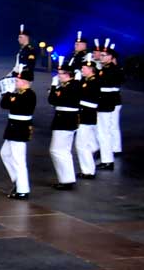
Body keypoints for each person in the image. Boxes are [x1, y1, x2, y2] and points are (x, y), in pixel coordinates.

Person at [0, 69, 36, 200]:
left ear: (25, 82)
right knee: (5, 153)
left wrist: (8, 94)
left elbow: (13, 105)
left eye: (18, 80)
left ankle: (23, 189)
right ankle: (17, 180)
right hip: (13, 129)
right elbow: (4, 105)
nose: (15, 82)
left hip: (20, 130)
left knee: (19, 160)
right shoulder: (18, 93)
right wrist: (8, 94)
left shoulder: (29, 95)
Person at [48, 61, 81, 190]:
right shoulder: (73, 85)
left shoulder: (69, 87)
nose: (59, 76)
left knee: (57, 150)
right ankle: (67, 178)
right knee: (64, 151)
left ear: (68, 75)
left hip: (64, 120)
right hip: (68, 120)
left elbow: (52, 100)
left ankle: (66, 180)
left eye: (61, 73)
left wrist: (53, 86)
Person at [96, 45, 123, 168]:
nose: (100, 57)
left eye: (103, 55)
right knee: (103, 131)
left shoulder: (112, 70)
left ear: (111, 57)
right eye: (100, 55)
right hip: (105, 101)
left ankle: (107, 159)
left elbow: (106, 84)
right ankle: (105, 156)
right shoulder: (105, 69)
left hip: (106, 102)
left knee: (104, 131)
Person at [75, 60, 100, 179]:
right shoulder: (86, 80)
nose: (82, 70)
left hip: (87, 114)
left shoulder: (94, 82)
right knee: (87, 142)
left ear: (91, 70)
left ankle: (88, 171)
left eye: (84, 68)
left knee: (81, 144)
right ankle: (88, 168)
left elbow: (87, 97)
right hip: (85, 114)